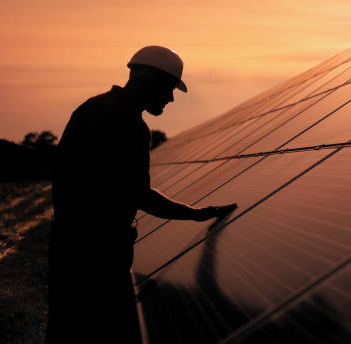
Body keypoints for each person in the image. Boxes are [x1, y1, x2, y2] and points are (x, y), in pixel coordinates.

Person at [47, 45, 236, 343]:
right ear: (151, 79)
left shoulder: (91, 107)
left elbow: (65, 172)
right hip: (100, 253)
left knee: (66, 326)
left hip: (68, 241)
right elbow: (140, 195)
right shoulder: (129, 126)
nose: (171, 98)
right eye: (170, 88)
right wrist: (196, 213)